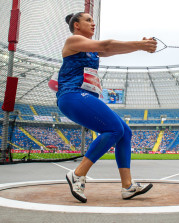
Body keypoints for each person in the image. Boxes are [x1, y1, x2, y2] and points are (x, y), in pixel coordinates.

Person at [57, 12, 157, 203]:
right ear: (76, 25)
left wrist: (140, 47)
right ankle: (78, 174)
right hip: (72, 95)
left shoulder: (92, 50)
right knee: (114, 129)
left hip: (84, 97)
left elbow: (112, 50)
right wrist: (140, 44)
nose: (93, 24)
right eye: (88, 20)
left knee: (125, 132)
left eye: (93, 20)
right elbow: (107, 45)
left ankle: (128, 186)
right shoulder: (73, 41)